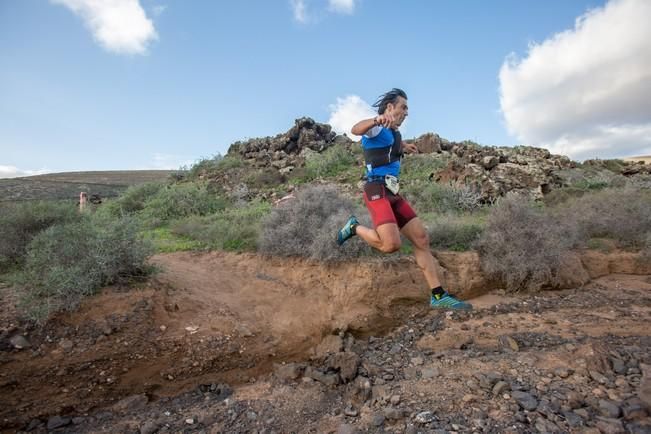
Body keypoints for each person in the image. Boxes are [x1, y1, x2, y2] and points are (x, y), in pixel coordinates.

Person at [336, 88, 472, 310]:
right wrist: (374, 119)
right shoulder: (376, 127)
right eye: (403, 107)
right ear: (390, 108)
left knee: (421, 239)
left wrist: (404, 148)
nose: (407, 112)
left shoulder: (394, 134)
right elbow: (355, 129)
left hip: (392, 192)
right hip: (376, 189)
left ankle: (438, 296)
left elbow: (391, 147)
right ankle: (354, 228)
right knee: (390, 245)